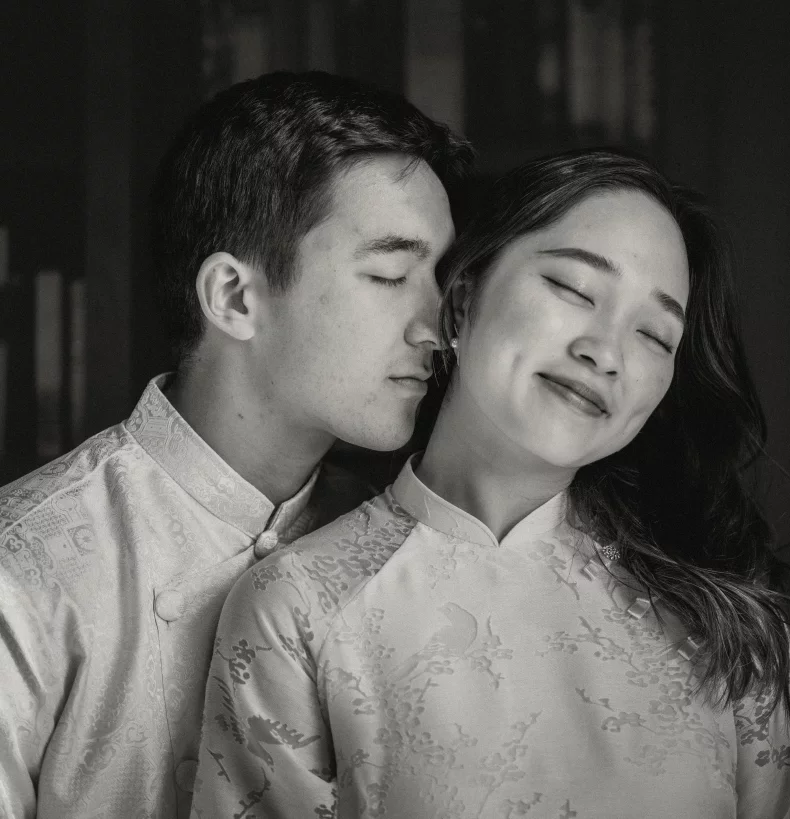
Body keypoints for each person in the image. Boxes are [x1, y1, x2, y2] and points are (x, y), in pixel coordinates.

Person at [190, 149, 790, 818]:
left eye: (654, 334)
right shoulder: (299, 606)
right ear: (464, 298)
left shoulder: (727, 628)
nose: (606, 350)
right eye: (573, 289)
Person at [0, 71, 472, 819]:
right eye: (389, 274)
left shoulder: (407, 546)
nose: (436, 326)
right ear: (234, 297)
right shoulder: (25, 570)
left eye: (439, 279)